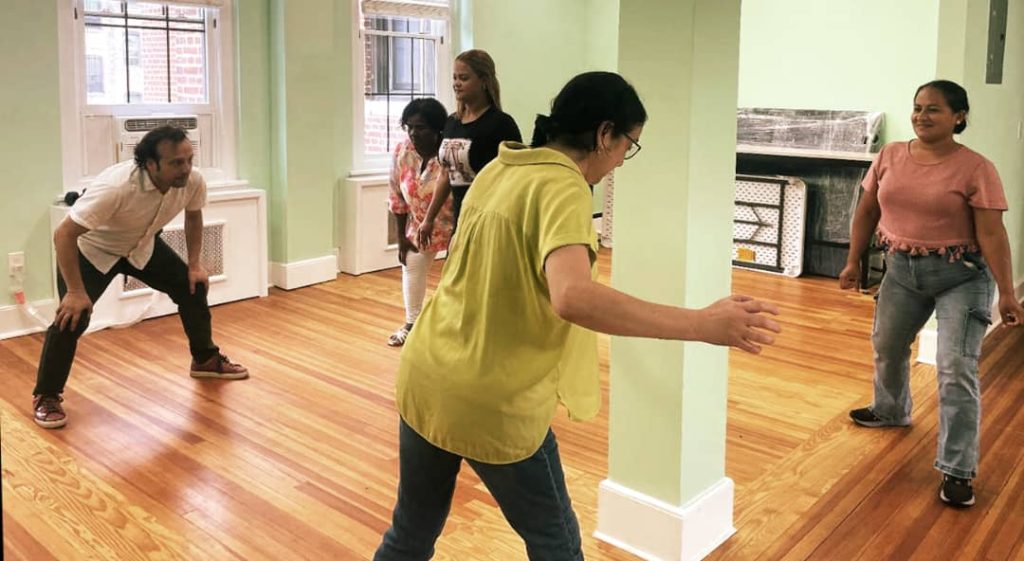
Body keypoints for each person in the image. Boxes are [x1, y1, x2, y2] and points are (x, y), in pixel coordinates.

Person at [373, 72, 782, 560]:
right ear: (604, 134)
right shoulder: (563, 187)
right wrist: (702, 323)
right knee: (558, 544)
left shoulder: (501, 168)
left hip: (426, 376)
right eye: (627, 146)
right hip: (492, 398)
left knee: (410, 536)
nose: (619, 163)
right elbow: (574, 297)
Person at [840, 80, 1023, 508]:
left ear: (959, 116)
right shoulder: (889, 156)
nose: (922, 116)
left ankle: (958, 469)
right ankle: (890, 410)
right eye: (918, 108)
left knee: (955, 368)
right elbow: (867, 210)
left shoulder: (977, 168)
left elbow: (992, 234)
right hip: (901, 269)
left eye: (935, 110)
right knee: (886, 345)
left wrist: (1008, 295)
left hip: (962, 275)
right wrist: (853, 260)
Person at [31, 126, 248, 430]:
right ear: (151, 164)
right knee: (73, 317)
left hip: (142, 246)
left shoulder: (192, 180)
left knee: (192, 286)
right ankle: (47, 395)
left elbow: (194, 214)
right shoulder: (117, 187)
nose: (186, 168)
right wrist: (76, 292)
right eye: (176, 163)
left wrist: (195, 264)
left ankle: (205, 359)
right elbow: (64, 234)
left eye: (189, 159)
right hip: (93, 251)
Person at [417, 49, 521, 246]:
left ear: (484, 81)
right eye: (454, 77)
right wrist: (428, 219)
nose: (456, 83)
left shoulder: (501, 124)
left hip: (490, 217)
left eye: (463, 78)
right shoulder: (452, 123)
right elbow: (446, 175)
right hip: (461, 216)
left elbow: (515, 178)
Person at [386, 98, 453, 347]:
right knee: (411, 264)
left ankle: (450, 327)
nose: (414, 133)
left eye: (421, 127)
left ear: (437, 130)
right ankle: (412, 324)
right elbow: (395, 194)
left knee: (455, 277)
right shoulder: (403, 152)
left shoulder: (448, 155)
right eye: (409, 126)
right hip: (418, 224)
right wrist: (401, 237)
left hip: (454, 224)